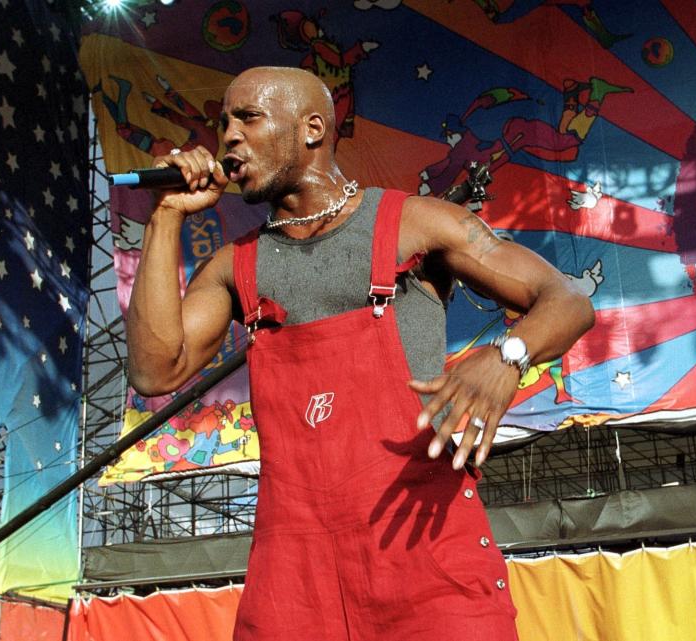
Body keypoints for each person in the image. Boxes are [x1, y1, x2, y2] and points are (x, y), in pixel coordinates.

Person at [126, 66, 594, 640]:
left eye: (248, 118)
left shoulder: (415, 225)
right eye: (223, 124)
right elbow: (154, 370)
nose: (228, 137)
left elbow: (568, 299)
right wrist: (167, 215)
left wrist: (508, 354)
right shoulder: (233, 266)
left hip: (424, 557)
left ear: (312, 129)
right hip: (294, 574)